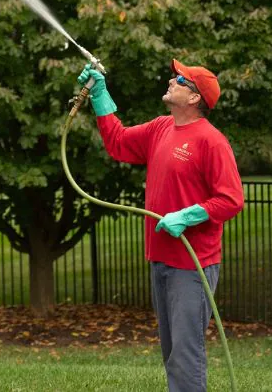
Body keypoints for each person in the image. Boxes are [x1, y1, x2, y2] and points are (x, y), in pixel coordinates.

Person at [77, 59, 243, 392]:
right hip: (161, 260)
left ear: (195, 98)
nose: (171, 79)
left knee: (185, 356)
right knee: (172, 354)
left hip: (192, 266)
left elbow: (231, 200)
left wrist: (188, 215)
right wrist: (100, 96)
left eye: (181, 79)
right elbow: (119, 142)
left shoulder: (212, 142)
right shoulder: (160, 128)